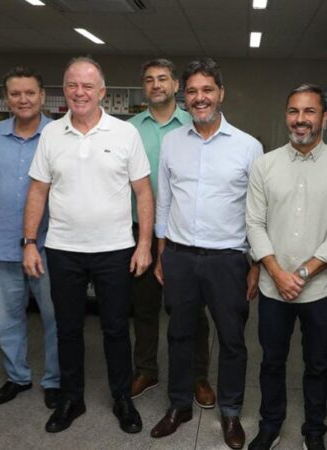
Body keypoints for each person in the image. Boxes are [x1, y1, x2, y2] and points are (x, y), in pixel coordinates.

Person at [23, 56, 153, 435]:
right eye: (72, 85)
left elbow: (143, 192)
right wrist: (30, 242)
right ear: (64, 91)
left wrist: (143, 244)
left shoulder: (125, 133)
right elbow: (38, 191)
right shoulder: (51, 135)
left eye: (87, 86)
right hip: (63, 248)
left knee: (115, 328)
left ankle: (121, 397)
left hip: (115, 249)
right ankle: (71, 398)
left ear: (102, 92)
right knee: (67, 328)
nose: (79, 93)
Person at [150, 57, 263, 450]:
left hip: (228, 260)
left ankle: (231, 411)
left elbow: (257, 211)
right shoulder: (171, 143)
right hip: (180, 256)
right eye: (192, 91)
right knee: (179, 334)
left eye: (207, 90)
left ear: (221, 94)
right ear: (185, 96)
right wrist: (162, 250)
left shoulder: (249, 147)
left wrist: (255, 264)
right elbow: (164, 199)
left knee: (232, 339)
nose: (200, 98)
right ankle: (179, 405)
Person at [246, 84, 327, 450]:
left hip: (322, 289)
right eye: (294, 112)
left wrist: (302, 274)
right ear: (286, 116)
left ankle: (314, 431)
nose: (300, 120)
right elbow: (254, 224)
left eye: (309, 112)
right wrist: (278, 274)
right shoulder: (265, 165)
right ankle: (270, 424)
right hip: (272, 287)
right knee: (272, 362)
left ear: (324, 117)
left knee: (317, 366)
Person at [126, 58, 214, 406]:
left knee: (191, 310)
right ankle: (146, 368)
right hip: (140, 231)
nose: (156, 85)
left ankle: (198, 375)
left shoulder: (195, 124)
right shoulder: (129, 129)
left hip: (184, 234)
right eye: (149, 80)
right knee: (143, 305)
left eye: (163, 78)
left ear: (176, 85)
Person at [0, 66, 61, 409]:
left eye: (30, 93)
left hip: (47, 244)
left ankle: (55, 380)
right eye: (15, 94)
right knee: (7, 317)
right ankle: (17, 377)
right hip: (1, 242)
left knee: (54, 317)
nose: (23, 99)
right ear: (6, 99)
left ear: (42, 96)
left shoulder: (59, 134)